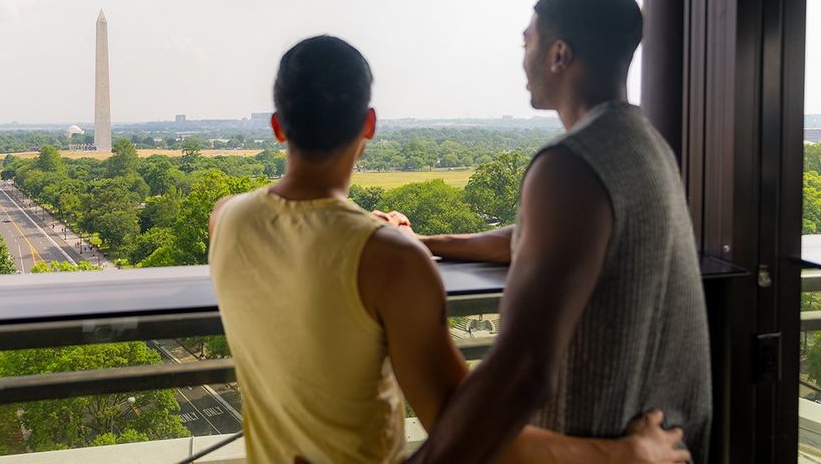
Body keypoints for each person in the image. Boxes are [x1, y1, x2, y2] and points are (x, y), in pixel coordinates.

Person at [209, 35, 691, 464]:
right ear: (370, 125)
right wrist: (624, 453)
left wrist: (378, 233)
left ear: (277, 126)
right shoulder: (388, 261)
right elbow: (470, 432)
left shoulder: (225, 218)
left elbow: (306, 231)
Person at [394, 0, 711, 463]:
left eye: (528, 43)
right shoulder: (642, 144)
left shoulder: (570, 163)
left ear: (558, 55)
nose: (523, 59)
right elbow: (536, 241)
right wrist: (424, 241)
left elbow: (522, 371)